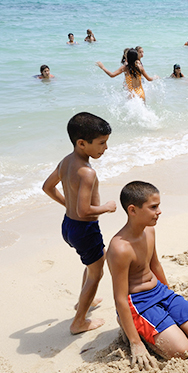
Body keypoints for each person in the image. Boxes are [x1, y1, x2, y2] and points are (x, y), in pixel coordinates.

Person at [107, 181, 188, 370]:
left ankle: (165, 325)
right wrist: (136, 343)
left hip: (159, 291)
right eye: (153, 207)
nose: (159, 211)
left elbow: (155, 264)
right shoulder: (120, 249)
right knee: (183, 351)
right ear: (132, 210)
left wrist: (170, 295)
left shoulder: (149, 231)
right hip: (138, 303)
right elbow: (120, 298)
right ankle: (131, 327)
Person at [42, 112, 116, 335]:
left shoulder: (66, 162)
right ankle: (79, 321)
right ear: (82, 143)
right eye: (101, 143)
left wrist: (68, 205)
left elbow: (47, 187)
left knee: (94, 263)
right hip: (85, 229)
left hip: (68, 225)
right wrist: (106, 207)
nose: (105, 148)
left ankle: (86, 300)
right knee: (97, 272)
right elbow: (85, 210)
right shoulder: (87, 173)